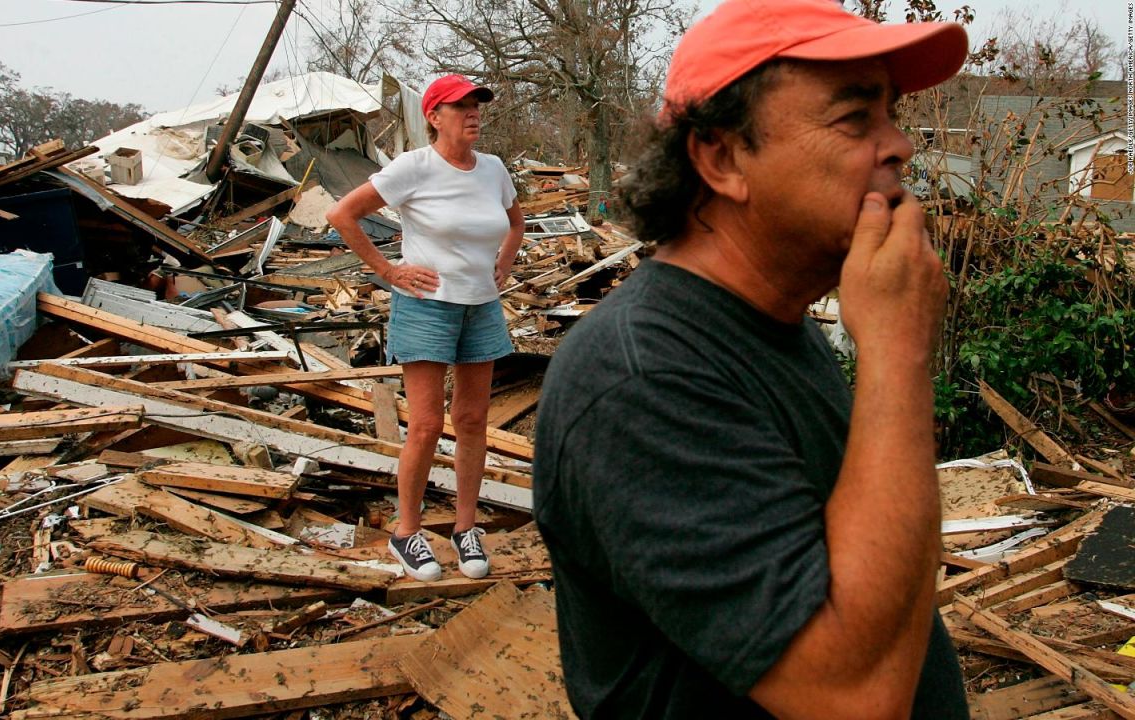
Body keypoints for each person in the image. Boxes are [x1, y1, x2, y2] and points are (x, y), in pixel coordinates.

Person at [532, 0, 971, 717]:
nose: (900, 146)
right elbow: (853, 698)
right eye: (855, 119)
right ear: (723, 157)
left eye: (892, 115)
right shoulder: (640, 378)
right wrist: (897, 350)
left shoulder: (777, 325)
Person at [326, 74, 524, 583]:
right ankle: (406, 532)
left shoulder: (494, 169)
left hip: (481, 307)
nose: (474, 114)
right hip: (427, 306)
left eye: (478, 105)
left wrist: (504, 261)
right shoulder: (413, 167)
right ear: (434, 117)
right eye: (462, 107)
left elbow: (515, 222)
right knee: (427, 425)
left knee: (474, 421)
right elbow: (342, 214)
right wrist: (388, 271)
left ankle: (465, 528)